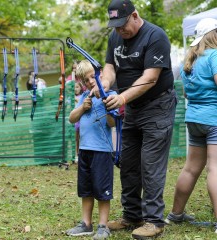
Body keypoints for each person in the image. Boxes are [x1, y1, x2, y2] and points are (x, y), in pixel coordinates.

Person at [91, 0, 177, 239]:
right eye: (115, 26)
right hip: (133, 108)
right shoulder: (115, 37)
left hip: (158, 105)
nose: (120, 31)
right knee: (128, 163)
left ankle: (154, 221)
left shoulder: (155, 36)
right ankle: (132, 215)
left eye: (123, 24)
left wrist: (122, 97)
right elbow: (110, 67)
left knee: (150, 164)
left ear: (135, 15)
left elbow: (150, 78)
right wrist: (106, 84)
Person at [165, 18, 217, 232]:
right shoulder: (214, 55)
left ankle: (175, 215)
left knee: (191, 168)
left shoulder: (191, 60)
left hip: (194, 119)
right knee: (214, 168)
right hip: (213, 118)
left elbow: (187, 93)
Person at [66, 60, 116, 240]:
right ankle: (86, 224)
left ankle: (103, 226)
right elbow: (72, 118)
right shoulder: (84, 97)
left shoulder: (110, 94)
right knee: (86, 190)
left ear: (100, 74)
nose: (90, 82)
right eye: (85, 80)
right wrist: (82, 107)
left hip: (102, 151)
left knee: (102, 191)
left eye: (92, 77)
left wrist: (107, 104)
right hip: (85, 151)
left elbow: (112, 123)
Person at [74, 81, 83, 163]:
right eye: (74, 87)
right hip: (75, 122)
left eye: (77, 87)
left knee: (81, 138)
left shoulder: (82, 97)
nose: (75, 89)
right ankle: (76, 154)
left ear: (80, 88)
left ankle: (81, 154)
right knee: (76, 139)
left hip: (81, 121)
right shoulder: (71, 97)